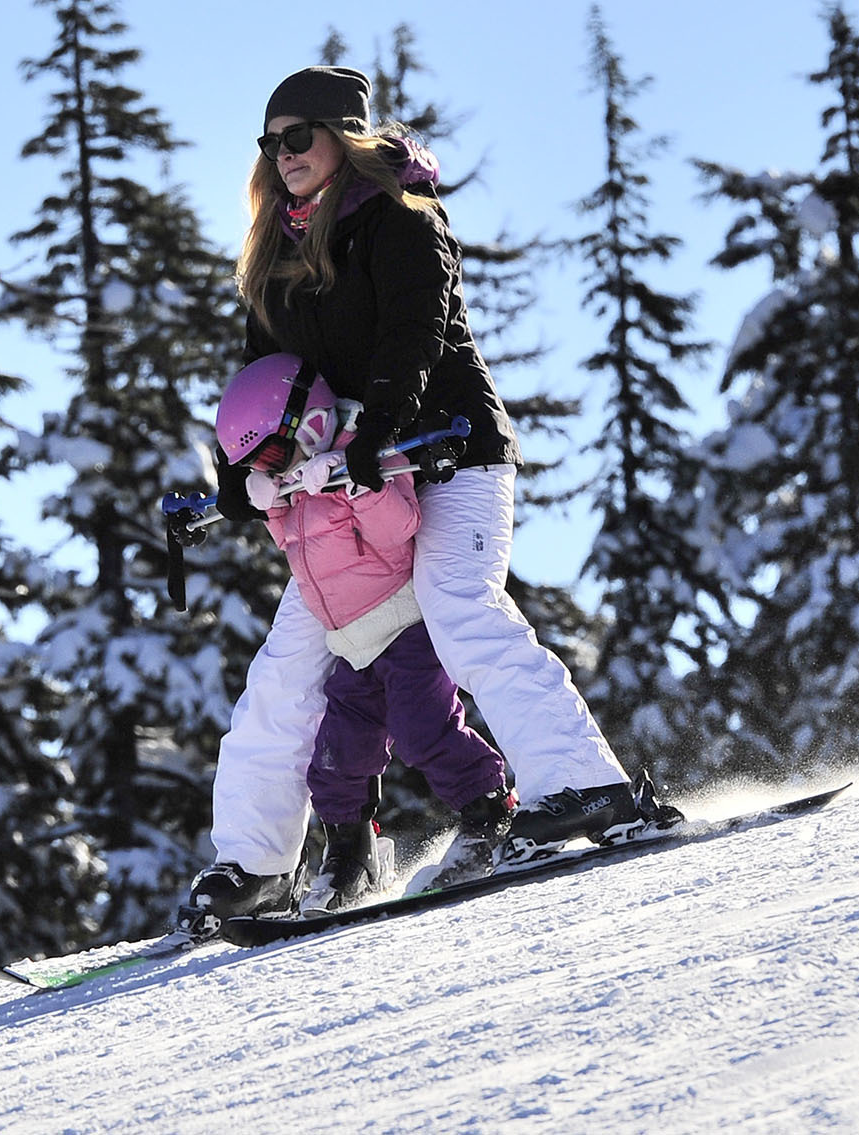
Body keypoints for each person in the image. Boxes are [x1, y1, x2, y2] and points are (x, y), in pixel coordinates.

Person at [184, 65, 648, 924]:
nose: (283, 154)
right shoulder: (277, 255)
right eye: (270, 141)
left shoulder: (402, 219)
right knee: (286, 669)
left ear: (343, 137)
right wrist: (241, 476)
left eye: (299, 136)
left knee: (459, 606)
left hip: (449, 454)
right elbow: (263, 380)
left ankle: (584, 785)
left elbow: (417, 333)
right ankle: (251, 864)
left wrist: (377, 430)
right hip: (351, 494)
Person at [209, 352, 513, 916]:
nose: (270, 471)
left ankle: (491, 812)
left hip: (405, 627)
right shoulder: (294, 484)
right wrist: (270, 501)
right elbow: (304, 553)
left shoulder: (364, 457)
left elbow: (401, 528)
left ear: (314, 420)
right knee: (334, 760)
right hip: (350, 645)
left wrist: (353, 485)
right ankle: (352, 855)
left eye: (272, 454)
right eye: (255, 465)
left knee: (425, 732)